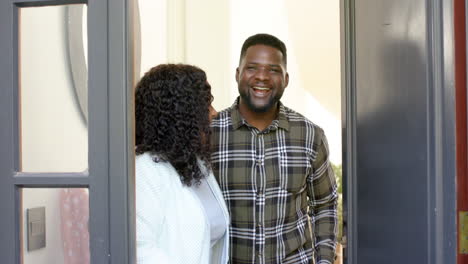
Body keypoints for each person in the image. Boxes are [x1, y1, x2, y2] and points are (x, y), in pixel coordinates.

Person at [211, 34, 338, 264]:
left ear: (286, 79)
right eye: (252, 68)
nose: (262, 77)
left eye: (273, 70)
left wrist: (325, 261)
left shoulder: (310, 135)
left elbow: (325, 204)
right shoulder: (209, 135)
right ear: (238, 74)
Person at [135, 64, 230, 264]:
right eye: (205, 105)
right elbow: (140, 251)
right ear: (180, 114)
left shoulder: (195, 163)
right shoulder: (144, 171)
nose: (214, 113)